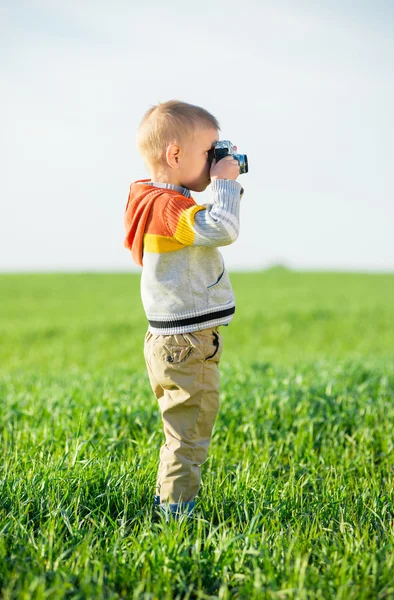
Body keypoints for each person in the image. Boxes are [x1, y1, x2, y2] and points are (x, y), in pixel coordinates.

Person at [123, 99, 244, 522]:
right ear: (175, 155)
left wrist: (215, 181)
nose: (216, 161)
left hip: (170, 340)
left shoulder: (150, 200)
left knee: (182, 430)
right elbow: (222, 229)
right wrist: (226, 184)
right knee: (188, 436)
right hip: (187, 342)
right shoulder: (168, 207)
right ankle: (177, 518)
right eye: (209, 153)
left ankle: (170, 504)